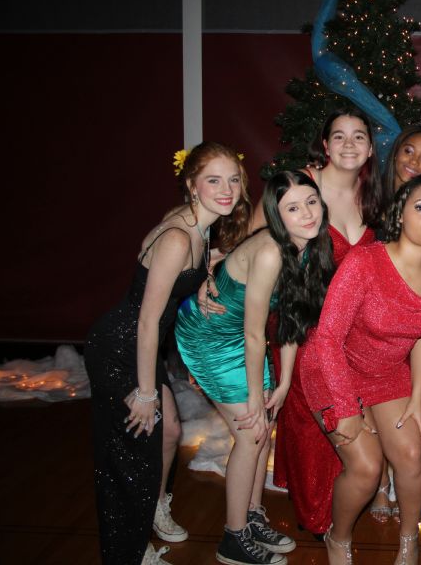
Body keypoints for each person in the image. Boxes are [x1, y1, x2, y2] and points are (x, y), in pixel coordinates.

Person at [85, 141, 249, 564]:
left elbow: (174, 270)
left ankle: (152, 510)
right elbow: (146, 320)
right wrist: (145, 393)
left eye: (233, 179)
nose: (226, 189)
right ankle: (130, 550)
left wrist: (202, 280)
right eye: (214, 180)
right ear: (192, 185)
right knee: (134, 453)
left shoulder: (199, 225)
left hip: (139, 346)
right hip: (122, 348)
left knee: (170, 432)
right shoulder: (178, 237)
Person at [302, 173, 421, 565]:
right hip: (332, 367)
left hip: (387, 372)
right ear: (400, 214)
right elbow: (328, 339)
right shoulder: (365, 261)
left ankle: (409, 541)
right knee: (367, 468)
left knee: (412, 454)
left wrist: (418, 398)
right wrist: (346, 409)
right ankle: (338, 538)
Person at [177, 171, 333, 564]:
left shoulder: (309, 247)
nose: (307, 214)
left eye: (311, 202)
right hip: (210, 337)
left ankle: (250, 515)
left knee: (263, 428)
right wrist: (253, 397)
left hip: (242, 338)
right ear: (277, 217)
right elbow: (253, 333)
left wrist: (283, 383)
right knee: (251, 432)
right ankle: (232, 538)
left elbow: (293, 317)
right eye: (292, 208)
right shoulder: (270, 253)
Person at [265, 107, 383, 536]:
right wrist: (213, 272)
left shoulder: (373, 194)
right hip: (303, 324)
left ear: (370, 148)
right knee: (309, 417)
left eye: (359, 136)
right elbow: (254, 236)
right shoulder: (302, 183)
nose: (349, 144)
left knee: (350, 417)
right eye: (339, 136)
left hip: (350, 330)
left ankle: (343, 500)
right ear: (325, 145)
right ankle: (317, 514)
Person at [373, 123, 421, 522]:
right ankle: (381, 484)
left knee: (403, 414)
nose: (414, 161)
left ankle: (400, 484)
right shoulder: (371, 202)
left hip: (411, 325)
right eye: (408, 151)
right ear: (395, 153)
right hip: (370, 325)